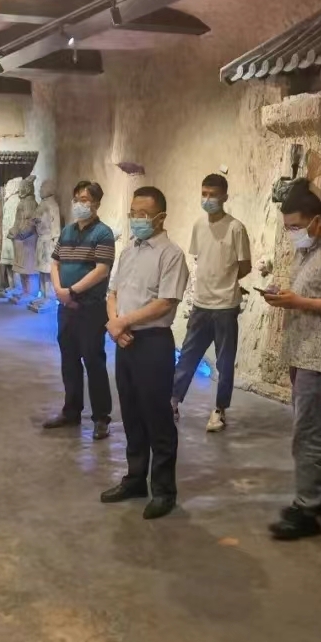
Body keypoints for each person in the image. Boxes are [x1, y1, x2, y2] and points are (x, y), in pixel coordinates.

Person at [261, 179, 321, 540]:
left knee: (309, 431)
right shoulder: (309, 249)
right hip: (302, 351)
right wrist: (283, 296)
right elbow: (312, 292)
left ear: (316, 220)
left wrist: (299, 302)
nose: (292, 234)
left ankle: (306, 508)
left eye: (296, 226)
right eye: (288, 228)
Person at [101, 186, 189, 520]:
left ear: (160, 217)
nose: (136, 219)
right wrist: (115, 323)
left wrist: (123, 322)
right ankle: (135, 478)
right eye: (133, 213)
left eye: (143, 214)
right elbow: (112, 292)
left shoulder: (171, 255)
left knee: (157, 417)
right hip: (125, 341)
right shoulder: (128, 252)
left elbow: (166, 302)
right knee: (132, 413)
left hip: (153, 342)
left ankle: (164, 490)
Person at [171, 174, 251, 432]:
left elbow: (245, 265)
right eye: (204, 194)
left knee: (224, 362)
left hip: (225, 306)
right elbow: (200, 260)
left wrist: (226, 280)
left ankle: (219, 409)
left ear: (224, 197)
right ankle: (173, 402)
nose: (207, 199)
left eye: (213, 195)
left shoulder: (236, 228)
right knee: (187, 356)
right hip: (201, 304)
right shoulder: (198, 226)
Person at [44, 181, 117, 440]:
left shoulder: (103, 234)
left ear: (96, 203)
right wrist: (59, 290)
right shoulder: (67, 232)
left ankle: (101, 418)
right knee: (69, 361)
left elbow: (102, 270)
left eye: (84, 199)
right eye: (76, 199)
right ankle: (71, 411)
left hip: (90, 309)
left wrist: (72, 291)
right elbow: (55, 262)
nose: (79, 204)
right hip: (66, 308)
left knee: (93, 362)